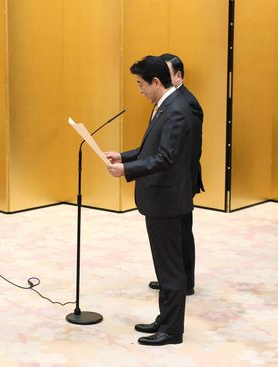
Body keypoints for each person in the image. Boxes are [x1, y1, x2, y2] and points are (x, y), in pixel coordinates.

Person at [105, 56, 194, 346]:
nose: (140, 90)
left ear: (156, 82)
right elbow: (151, 147)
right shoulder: (165, 105)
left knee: (169, 268)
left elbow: (166, 157)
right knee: (164, 265)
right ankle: (165, 318)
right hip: (160, 198)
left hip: (167, 199)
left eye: (141, 84)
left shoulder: (176, 109)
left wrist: (126, 170)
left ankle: (173, 330)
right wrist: (124, 156)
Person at [145, 54, 204, 296]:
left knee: (181, 231)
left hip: (179, 177)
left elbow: (189, 148)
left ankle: (184, 281)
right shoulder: (167, 102)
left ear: (178, 77)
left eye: (167, 74)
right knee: (174, 234)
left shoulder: (186, 103)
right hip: (168, 175)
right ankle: (172, 277)